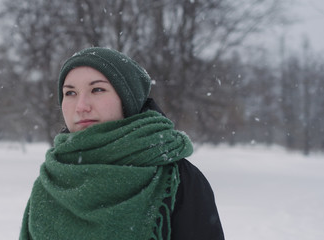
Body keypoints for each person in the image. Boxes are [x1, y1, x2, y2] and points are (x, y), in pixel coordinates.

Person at [19, 47, 224, 240]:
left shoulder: (176, 179)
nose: (81, 106)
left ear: (128, 98)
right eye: (70, 93)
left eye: (97, 89)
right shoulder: (51, 178)